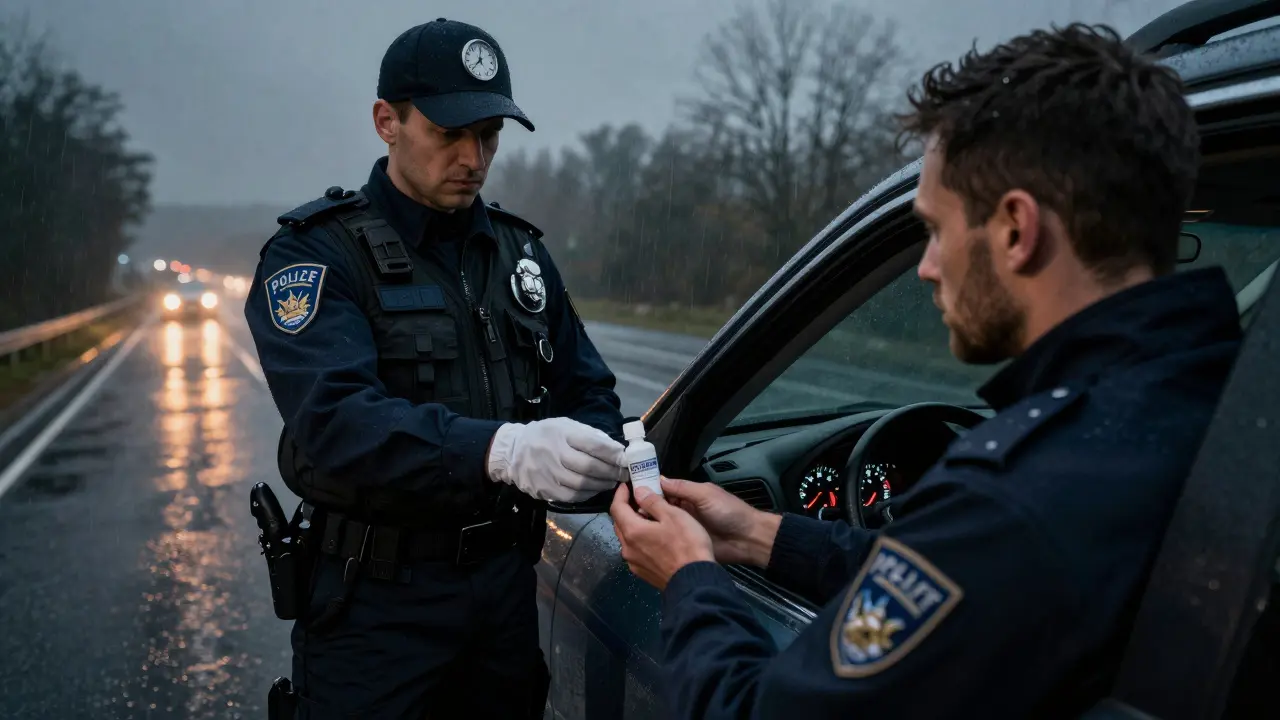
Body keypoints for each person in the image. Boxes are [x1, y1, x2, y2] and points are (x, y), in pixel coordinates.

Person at [609, 23, 1243, 719]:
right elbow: (970, 586)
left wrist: (690, 579)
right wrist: (759, 534)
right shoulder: (1217, 399)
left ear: (1014, 229)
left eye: (937, 230)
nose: (926, 267)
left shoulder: (1020, 495)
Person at [243, 18, 627, 719]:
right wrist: (500, 450)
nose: (473, 157)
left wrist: (598, 457)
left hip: (505, 597)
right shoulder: (318, 257)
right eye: (449, 133)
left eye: (488, 136)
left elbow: (586, 387)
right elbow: (335, 420)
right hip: (376, 606)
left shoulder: (520, 257)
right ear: (386, 121)